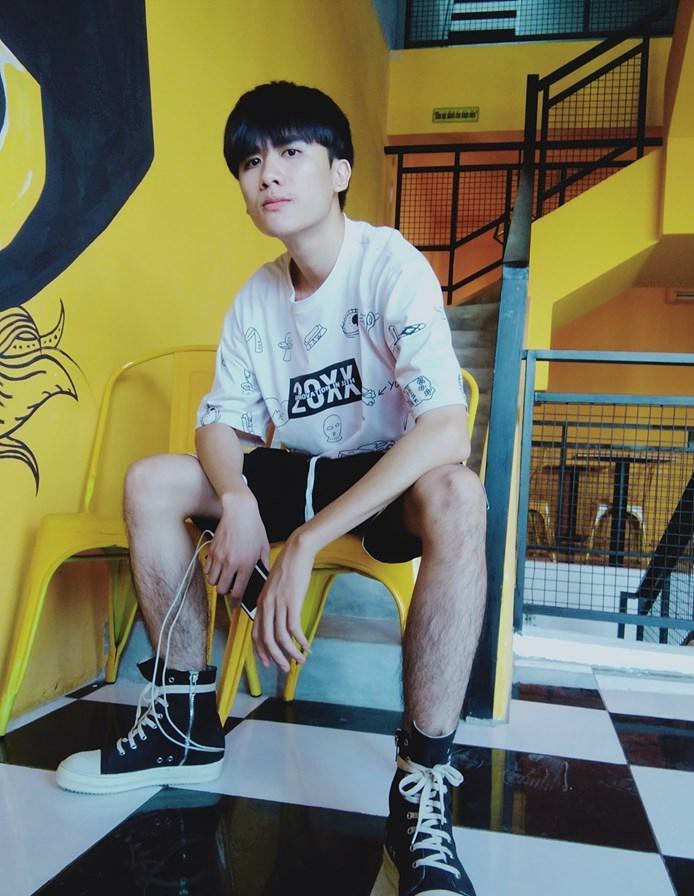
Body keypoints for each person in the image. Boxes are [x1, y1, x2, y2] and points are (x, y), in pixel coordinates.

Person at [57, 81, 487, 896]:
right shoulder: (257, 297)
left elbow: (445, 429)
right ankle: (185, 720)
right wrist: (240, 501)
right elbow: (219, 426)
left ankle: (421, 784)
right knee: (153, 481)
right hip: (297, 469)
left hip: (383, 469)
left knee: (461, 496)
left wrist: (308, 541)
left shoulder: (388, 264)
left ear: (340, 171)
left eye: (291, 152)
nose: (269, 175)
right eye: (251, 162)